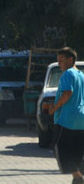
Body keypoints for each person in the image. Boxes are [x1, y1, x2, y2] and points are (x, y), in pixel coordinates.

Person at [48, 47, 84, 184]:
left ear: (70, 60)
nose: (59, 64)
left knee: (59, 146)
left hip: (67, 119)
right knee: (77, 149)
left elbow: (67, 93)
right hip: (81, 119)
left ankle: (77, 175)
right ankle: (77, 177)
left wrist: (54, 108)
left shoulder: (68, 74)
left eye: (61, 61)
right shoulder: (81, 75)